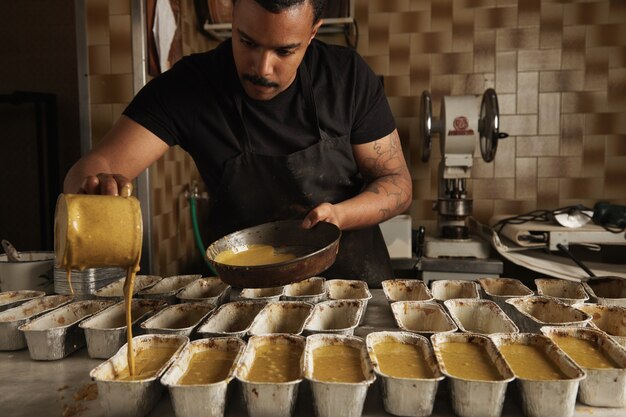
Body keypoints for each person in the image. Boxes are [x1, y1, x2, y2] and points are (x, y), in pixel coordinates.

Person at [63, 0, 412, 286]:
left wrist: (339, 214)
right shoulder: (190, 87)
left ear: (312, 33)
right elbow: (95, 169)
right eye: (247, 42)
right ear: (232, 15)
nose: (262, 68)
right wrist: (95, 186)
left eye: (284, 50)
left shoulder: (347, 77)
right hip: (246, 305)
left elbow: (398, 184)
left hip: (353, 292)